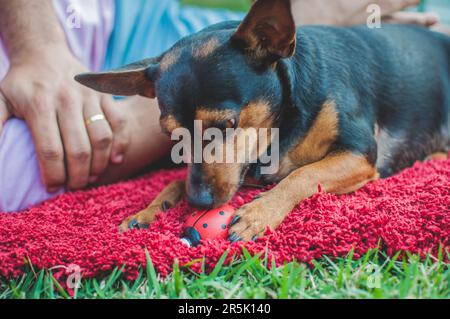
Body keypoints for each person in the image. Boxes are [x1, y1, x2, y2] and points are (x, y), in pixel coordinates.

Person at [0, 0, 444, 212]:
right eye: (180, 137)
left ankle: (349, 11)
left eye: (224, 129)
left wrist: (284, 198)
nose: (200, 184)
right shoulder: (201, 101)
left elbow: (359, 161)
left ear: (272, 37)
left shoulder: (313, 89)